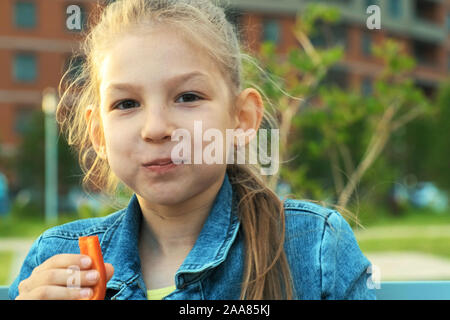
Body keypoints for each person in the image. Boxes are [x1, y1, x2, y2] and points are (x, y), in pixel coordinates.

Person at [9, 0, 376, 300]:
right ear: (98, 134)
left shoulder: (314, 249)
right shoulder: (58, 262)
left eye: (188, 97)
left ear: (241, 118)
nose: (155, 129)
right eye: (126, 104)